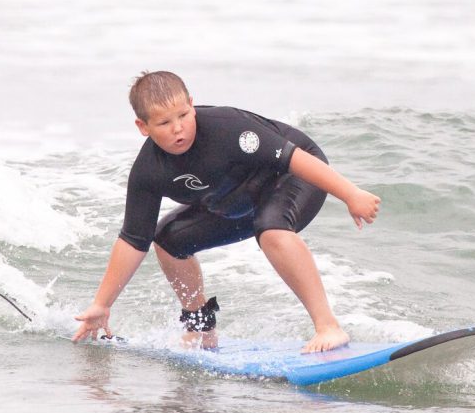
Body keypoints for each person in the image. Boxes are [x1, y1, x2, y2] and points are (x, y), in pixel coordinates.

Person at [73, 71, 380, 353]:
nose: (178, 128)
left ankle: (328, 327)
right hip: (237, 202)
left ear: (192, 105)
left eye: (183, 115)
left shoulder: (228, 128)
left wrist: (350, 193)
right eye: (164, 123)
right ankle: (201, 330)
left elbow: (295, 159)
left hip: (295, 176)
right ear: (143, 127)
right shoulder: (149, 172)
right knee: (168, 240)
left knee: (271, 228)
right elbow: (132, 240)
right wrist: (102, 304)